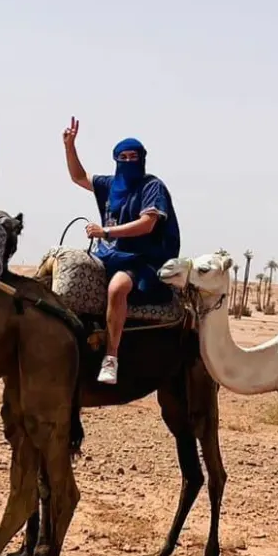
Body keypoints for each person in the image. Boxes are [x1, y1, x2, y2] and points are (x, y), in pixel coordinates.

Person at [62, 120, 181, 385]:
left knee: (117, 288)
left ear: (142, 159)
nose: (128, 161)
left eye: (133, 157)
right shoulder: (111, 184)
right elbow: (79, 177)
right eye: (122, 157)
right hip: (108, 254)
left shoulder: (152, 186)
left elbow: (147, 223)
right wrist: (70, 146)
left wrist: (106, 232)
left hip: (141, 258)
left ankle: (111, 358)